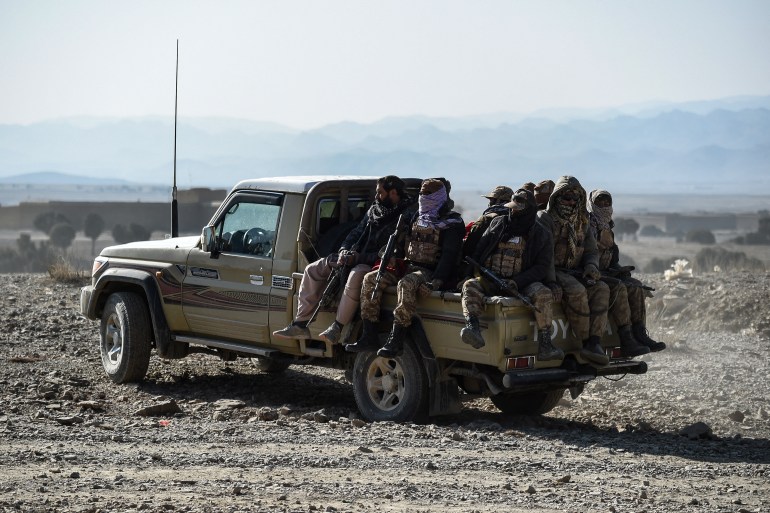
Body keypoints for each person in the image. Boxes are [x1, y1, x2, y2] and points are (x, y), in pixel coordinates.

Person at [273, 175, 416, 344]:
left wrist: (359, 257)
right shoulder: (375, 210)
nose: (377, 196)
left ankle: (337, 327)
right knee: (313, 269)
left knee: (356, 275)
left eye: (380, 193)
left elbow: (394, 252)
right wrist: (343, 251)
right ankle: (300, 324)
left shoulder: (406, 216)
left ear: (393, 193)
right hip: (355, 255)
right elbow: (356, 232)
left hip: (375, 263)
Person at [346, 178, 465, 357]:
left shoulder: (452, 222)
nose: (423, 198)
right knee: (371, 279)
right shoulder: (416, 216)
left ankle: (396, 339)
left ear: (439, 197)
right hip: (407, 265)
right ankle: (369, 335)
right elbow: (402, 242)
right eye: (422, 194)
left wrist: (436, 281)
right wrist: (393, 254)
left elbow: (449, 255)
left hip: (428, 271)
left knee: (406, 284)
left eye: (428, 195)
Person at [538, 176, 645, 366]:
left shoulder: (582, 221)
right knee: (577, 291)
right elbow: (544, 256)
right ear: (556, 198)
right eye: (566, 198)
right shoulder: (545, 219)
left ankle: (595, 342)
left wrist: (591, 267)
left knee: (602, 288)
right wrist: (552, 281)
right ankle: (584, 341)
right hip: (554, 270)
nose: (571, 202)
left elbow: (591, 250)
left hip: (576, 270)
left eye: (574, 199)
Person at [460, 188, 564, 361]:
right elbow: (478, 252)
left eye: (517, 209)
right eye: (512, 207)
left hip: (522, 284)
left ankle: (546, 344)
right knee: (469, 286)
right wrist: (470, 274)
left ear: (529, 210)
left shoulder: (541, 234)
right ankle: (473, 328)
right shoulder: (498, 224)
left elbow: (541, 267)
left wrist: (517, 282)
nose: (513, 211)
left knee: (543, 294)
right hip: (492, 279)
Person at [588, 189, 665, 352]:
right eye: (599, 202)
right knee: (619, 288)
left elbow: (613, 258)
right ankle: (626, 338)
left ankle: (640, 333)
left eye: (606, 202)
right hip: (591, 273)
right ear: (592, 204)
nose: (603, 205)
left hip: (607, 272)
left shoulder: (608, 226)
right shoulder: (588, 225)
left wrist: (620, 270)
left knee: (636, 286)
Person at [462, 185, 514, 260]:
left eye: (491, 200)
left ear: (498, 201)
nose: (489, 203)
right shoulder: (517, 218)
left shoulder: (487, 218)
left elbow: (470, 245)